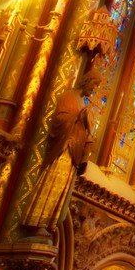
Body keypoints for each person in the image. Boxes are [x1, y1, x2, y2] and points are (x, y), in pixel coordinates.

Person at [17, 64, 101, 233]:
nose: (94, 89)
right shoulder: (69, 96)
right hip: (63, 149)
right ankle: (38, 222)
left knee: (61, 190)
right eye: (94, 85)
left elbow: (82, 130)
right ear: (87, 81)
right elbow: (59, 120)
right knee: (52, 182)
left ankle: (48, 223)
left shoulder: (80, 101)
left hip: (74, 153)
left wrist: (87, 135)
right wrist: (78, 116)